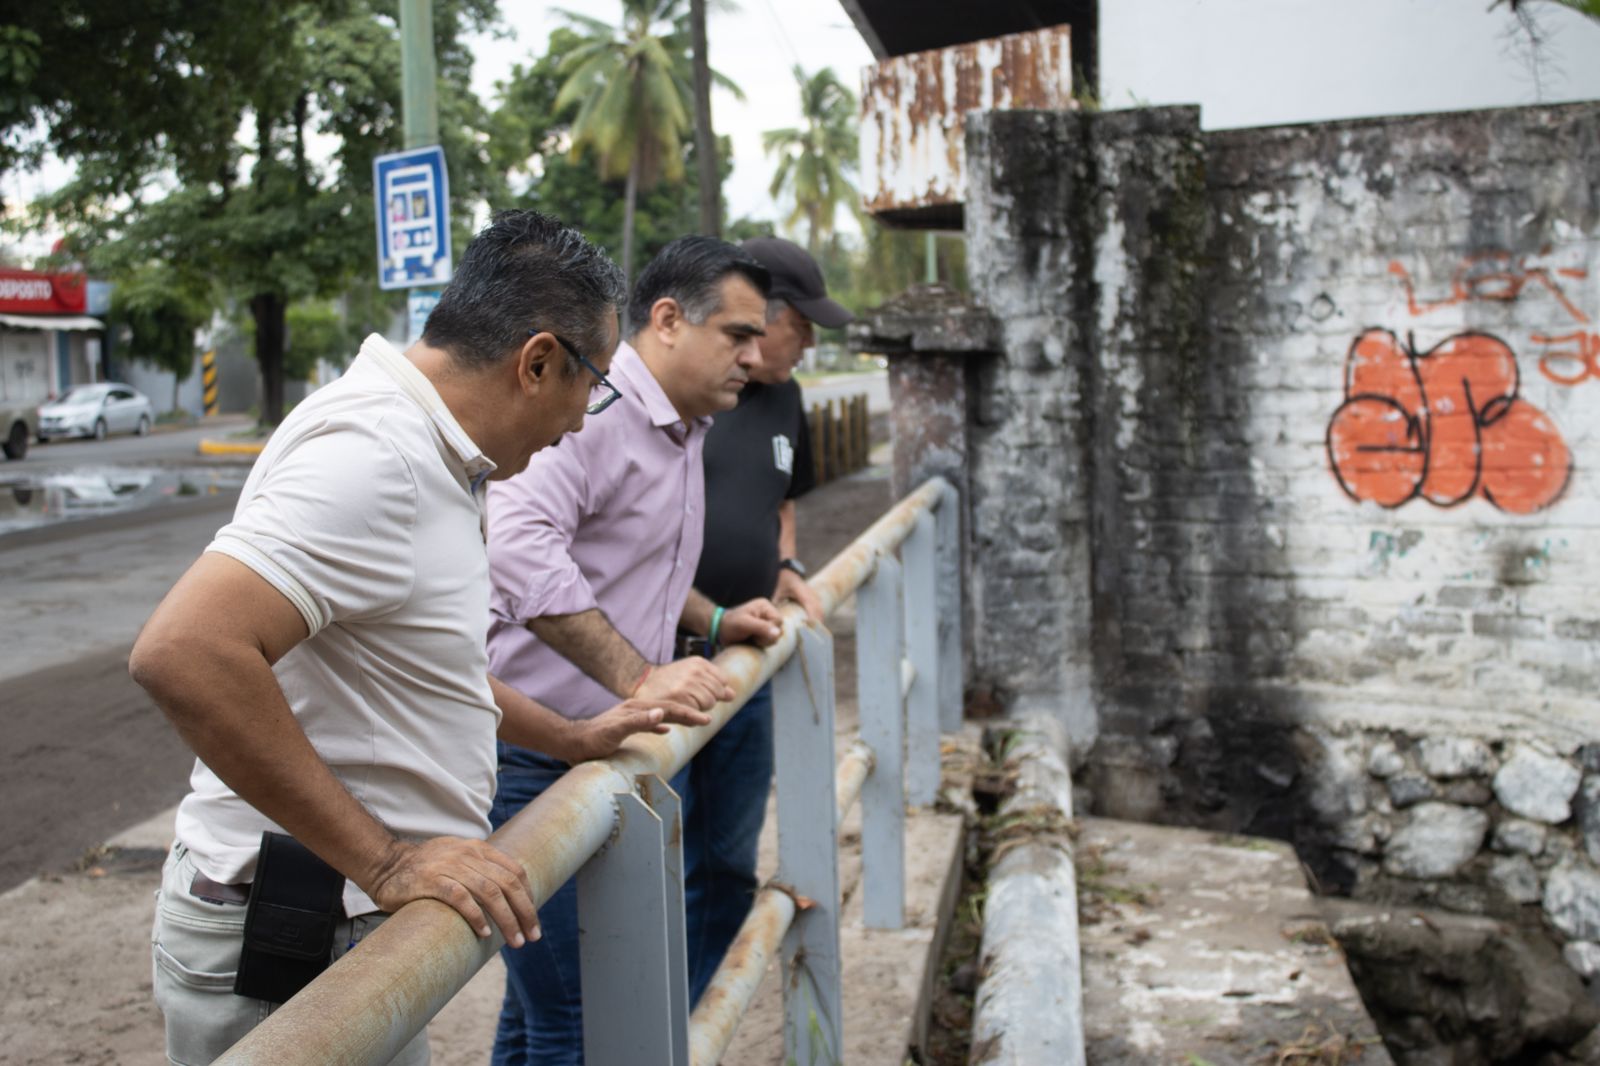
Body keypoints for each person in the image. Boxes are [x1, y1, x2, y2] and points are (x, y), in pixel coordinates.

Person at [128, 210, 706, 1066]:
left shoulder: (437, 451)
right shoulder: (378, 455)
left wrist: (572, 737)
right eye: (593, 385)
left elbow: (421, 666)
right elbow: (184, 652)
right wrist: (387, 862)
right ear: (537, 361)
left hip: (342, 919)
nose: (586, 420)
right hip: (294, 932)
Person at [484, 235, 786, 1065]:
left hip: (612, 749)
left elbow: (632, 565)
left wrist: (716, 622)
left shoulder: (685, 424)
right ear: (668, 320)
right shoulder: (596, 408)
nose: (755, 358)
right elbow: (516, 544)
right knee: (583, 1015)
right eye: (737, 335)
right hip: (534, 755)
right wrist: (641, 676)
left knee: (546, 1010)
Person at [680, 235, 854, 1003]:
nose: (808, 343)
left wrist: (787, 565)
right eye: (802, 326)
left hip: (746, 662)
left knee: (728, 858)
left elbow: (781, 501)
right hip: (662, 658)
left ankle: (698, 1016)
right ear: (760, 317)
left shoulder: (787, 398)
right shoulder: (684, 396)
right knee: (659, 860)